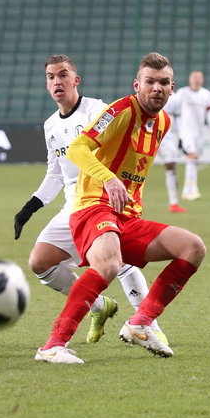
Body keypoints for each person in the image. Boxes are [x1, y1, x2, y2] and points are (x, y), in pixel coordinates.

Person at [35, 52, 206, 362]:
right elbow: (78, 148)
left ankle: (140, 324)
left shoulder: (163, 121)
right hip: (92, 206)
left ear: (172, 88)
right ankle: (53, 345)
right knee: (109, 264)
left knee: (193, 247)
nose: (157, 88)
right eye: (150, 82)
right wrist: (109, 179)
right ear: (136, 85)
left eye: (164, 83)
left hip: (126, 215)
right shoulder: (119, 111)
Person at [14, 55, 169, 365]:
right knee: (40, 263)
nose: (57, 81)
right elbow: (56, 173)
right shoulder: (50, 125)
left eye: (63, 75)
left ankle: (150, 324)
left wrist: (117, 185)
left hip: (100, 199)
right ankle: (100, 306)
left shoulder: (97, 110)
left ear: (76, 79)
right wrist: (30, 207)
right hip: (71, 206)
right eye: (50, 77)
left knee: (118, 261)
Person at [172, 70, 210, 200]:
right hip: (186, 131)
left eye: (199, 78)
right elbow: (175, 111)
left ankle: (190, 189)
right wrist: (178, 130)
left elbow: (209, 112)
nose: (196, 80)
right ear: (190, 79)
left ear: (202, 80)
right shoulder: (182, 93)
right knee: (192, 157)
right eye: (194, 78)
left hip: (199, 132)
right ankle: (190, 191)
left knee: (193, 160)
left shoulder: (206, 94)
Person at [158, 90, 186, 213]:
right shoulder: (146, 92)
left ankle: (174, 203)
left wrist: (180, 137)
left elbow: (178, 118)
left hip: (166, 136)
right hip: (146, 132)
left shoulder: (175, 98)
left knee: (171, 165)